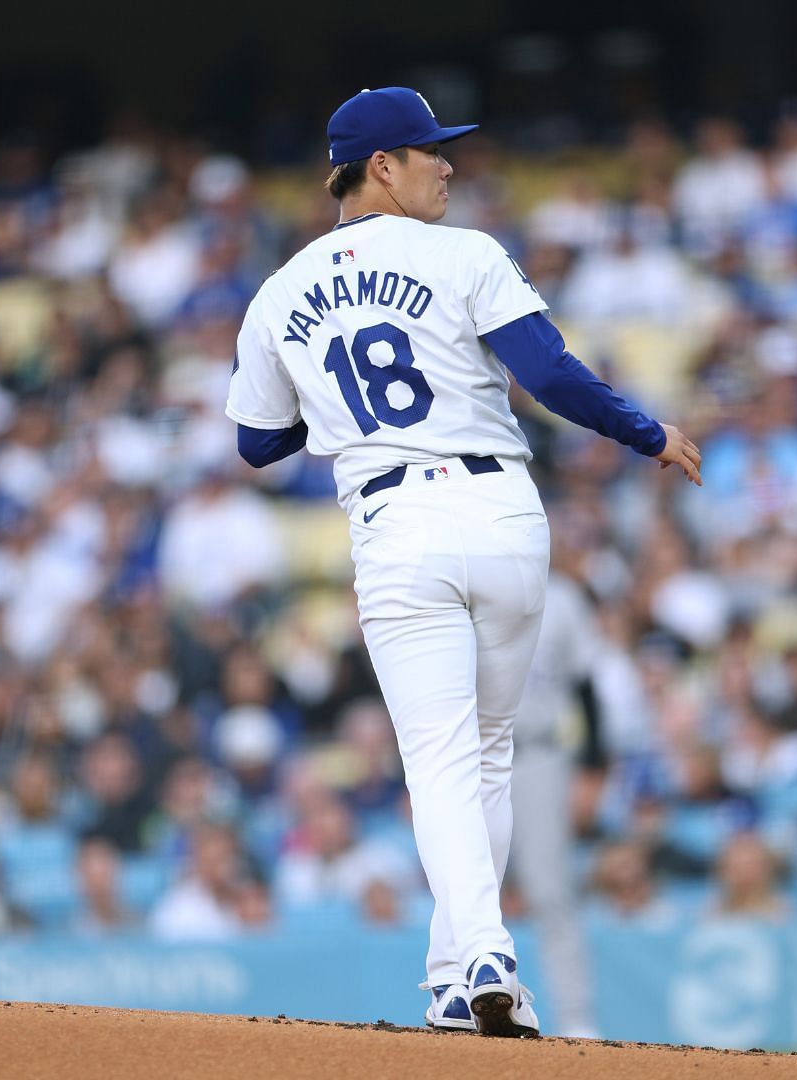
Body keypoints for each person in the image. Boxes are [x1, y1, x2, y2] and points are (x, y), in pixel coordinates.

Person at [226, 86, 704, 1039]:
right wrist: (646, 434)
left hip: (396, 523)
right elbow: (551, 373)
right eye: (428, 150)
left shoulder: (280, 293)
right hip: (502, 513)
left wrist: (337, 413)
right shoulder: (466, 255)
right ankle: (459, 974)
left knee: (442, 759)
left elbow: (255, 442)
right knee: (485, 752)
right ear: (379, 167)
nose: (449, 164)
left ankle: (481, 953)